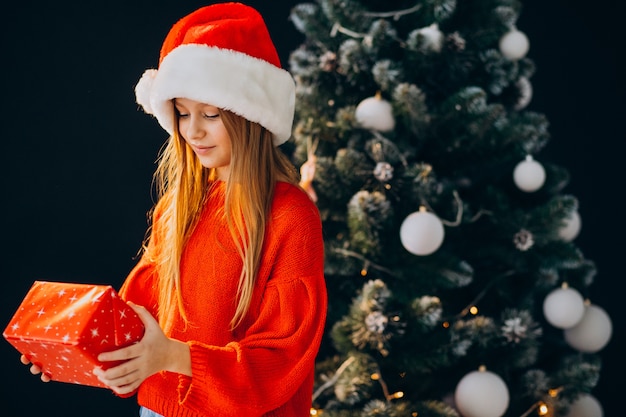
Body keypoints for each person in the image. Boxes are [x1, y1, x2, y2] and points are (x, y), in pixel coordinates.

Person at [21, 2, 327, 416]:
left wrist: (173, 357)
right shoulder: (179, 208)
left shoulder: (291, 216)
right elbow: (138, 319)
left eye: (211, 114)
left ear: (252, 116)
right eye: (183, 113)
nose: (193, 130)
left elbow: (281, 360)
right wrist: (69, 347)